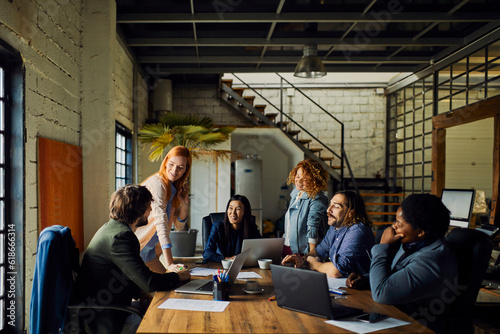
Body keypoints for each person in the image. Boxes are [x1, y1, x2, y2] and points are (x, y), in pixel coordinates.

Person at [75, 184, 191, 333]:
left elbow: (133, 274)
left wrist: (141, 292)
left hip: (109, 306)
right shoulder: (121, 238)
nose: (150, 210)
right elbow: (149, 282)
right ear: (138, 211)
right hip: (104, 317)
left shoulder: (114, 229)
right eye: (148, 207)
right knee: (164, 325)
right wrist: (178, 276)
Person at [346, 194, 458, 330]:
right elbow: (397, 276)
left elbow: (382, 293)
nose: (393, 227)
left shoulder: (432, 260)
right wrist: (366, 279)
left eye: (399, 223)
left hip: (414, 326)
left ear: (420, 232)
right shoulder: (414, 243)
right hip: (392, 315)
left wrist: (383, 246)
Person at [282, 190, 375, 278]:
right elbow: (318, 252)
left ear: (350, 213)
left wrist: (314, 264)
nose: (328, 210)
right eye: (330, 205)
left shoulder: (357, 231)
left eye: (336, 206)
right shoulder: (334, 228)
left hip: (361, 292)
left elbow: (337, 271)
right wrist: (301, 260)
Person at [135, 146, 191, 273]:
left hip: (150, 254)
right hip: (137, 250)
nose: (175, 170)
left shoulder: (173, 188)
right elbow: (160, 224)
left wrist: (184, 206)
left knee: (169, 286)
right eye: (171, 164)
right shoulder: (158, 185)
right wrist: (170, 263)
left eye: (181, 167)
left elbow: (178, 226)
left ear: (185, 170)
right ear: (165, 162)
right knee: (160, 287)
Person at [283, 159, 329, 256]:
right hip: (288, 247)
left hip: (305, 252)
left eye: (305, 179)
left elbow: (313, 228)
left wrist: (312, 256)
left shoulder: (317, 199)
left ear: (315, 181)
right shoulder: (296, 194)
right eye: (298, 176)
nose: (299, 181)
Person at [203, 195, 261, 262]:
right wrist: (226, 259)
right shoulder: (218, 227)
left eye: (238, 209)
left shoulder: (252, 228)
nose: (233, 213)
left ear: (245, 212)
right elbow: (207, 253)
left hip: (245, 266)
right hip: (223, 266)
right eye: (230, 208)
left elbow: (262, 251)